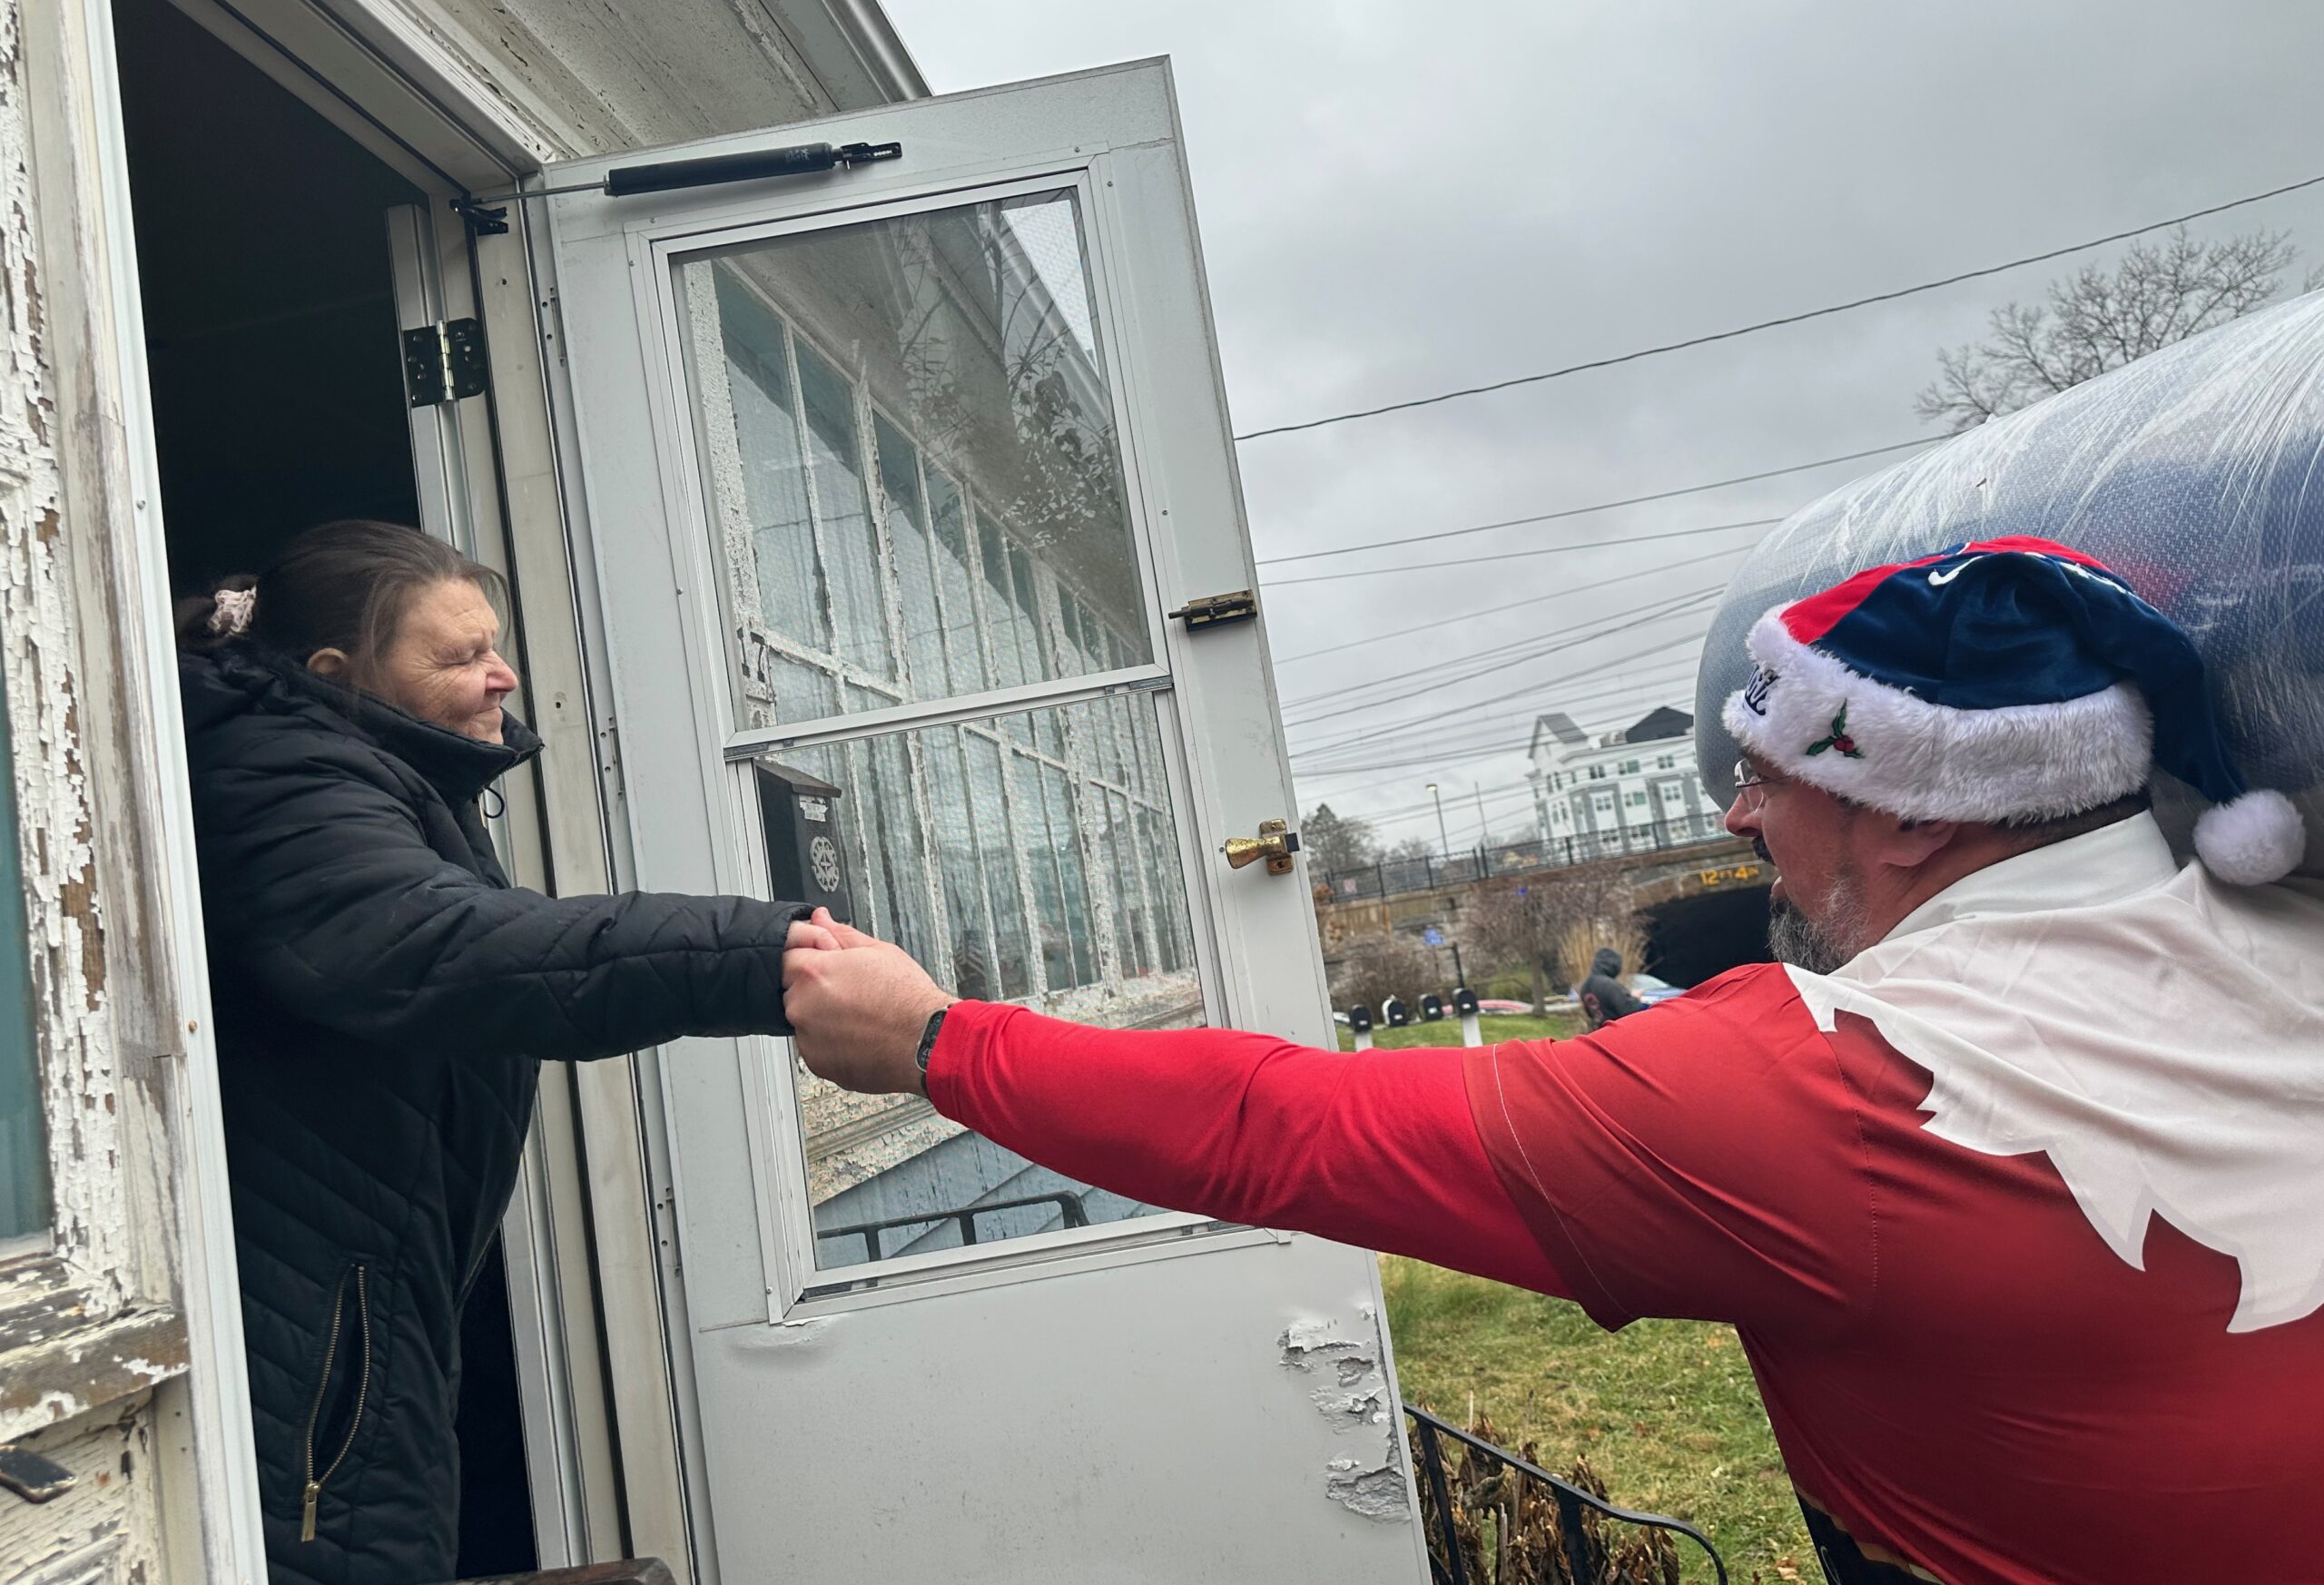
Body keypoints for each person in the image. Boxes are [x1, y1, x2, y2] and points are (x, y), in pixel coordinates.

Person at [783, 538, 2324, 1585]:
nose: (1734, 818)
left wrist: (933, 1041)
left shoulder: (1822, 1096)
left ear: (1920, 809)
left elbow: (1276, 1127)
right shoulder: (2294, 938)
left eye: (1772, 769)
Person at [177, 521, 821, 1585]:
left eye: (493, 642)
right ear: (339, 673)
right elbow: (438, 947)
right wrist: (766, 956)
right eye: (459, 656)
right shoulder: (275, 772)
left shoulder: (363, 767)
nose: (503, 674)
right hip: (306, 1342)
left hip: (356, 1307)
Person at [1574, 946, 1640, 1030]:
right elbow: (1628, 1010)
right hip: (1616, 1032)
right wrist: (1636, 998)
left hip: (1600, 1031)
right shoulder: (1609, 985)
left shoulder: (1585, 986)